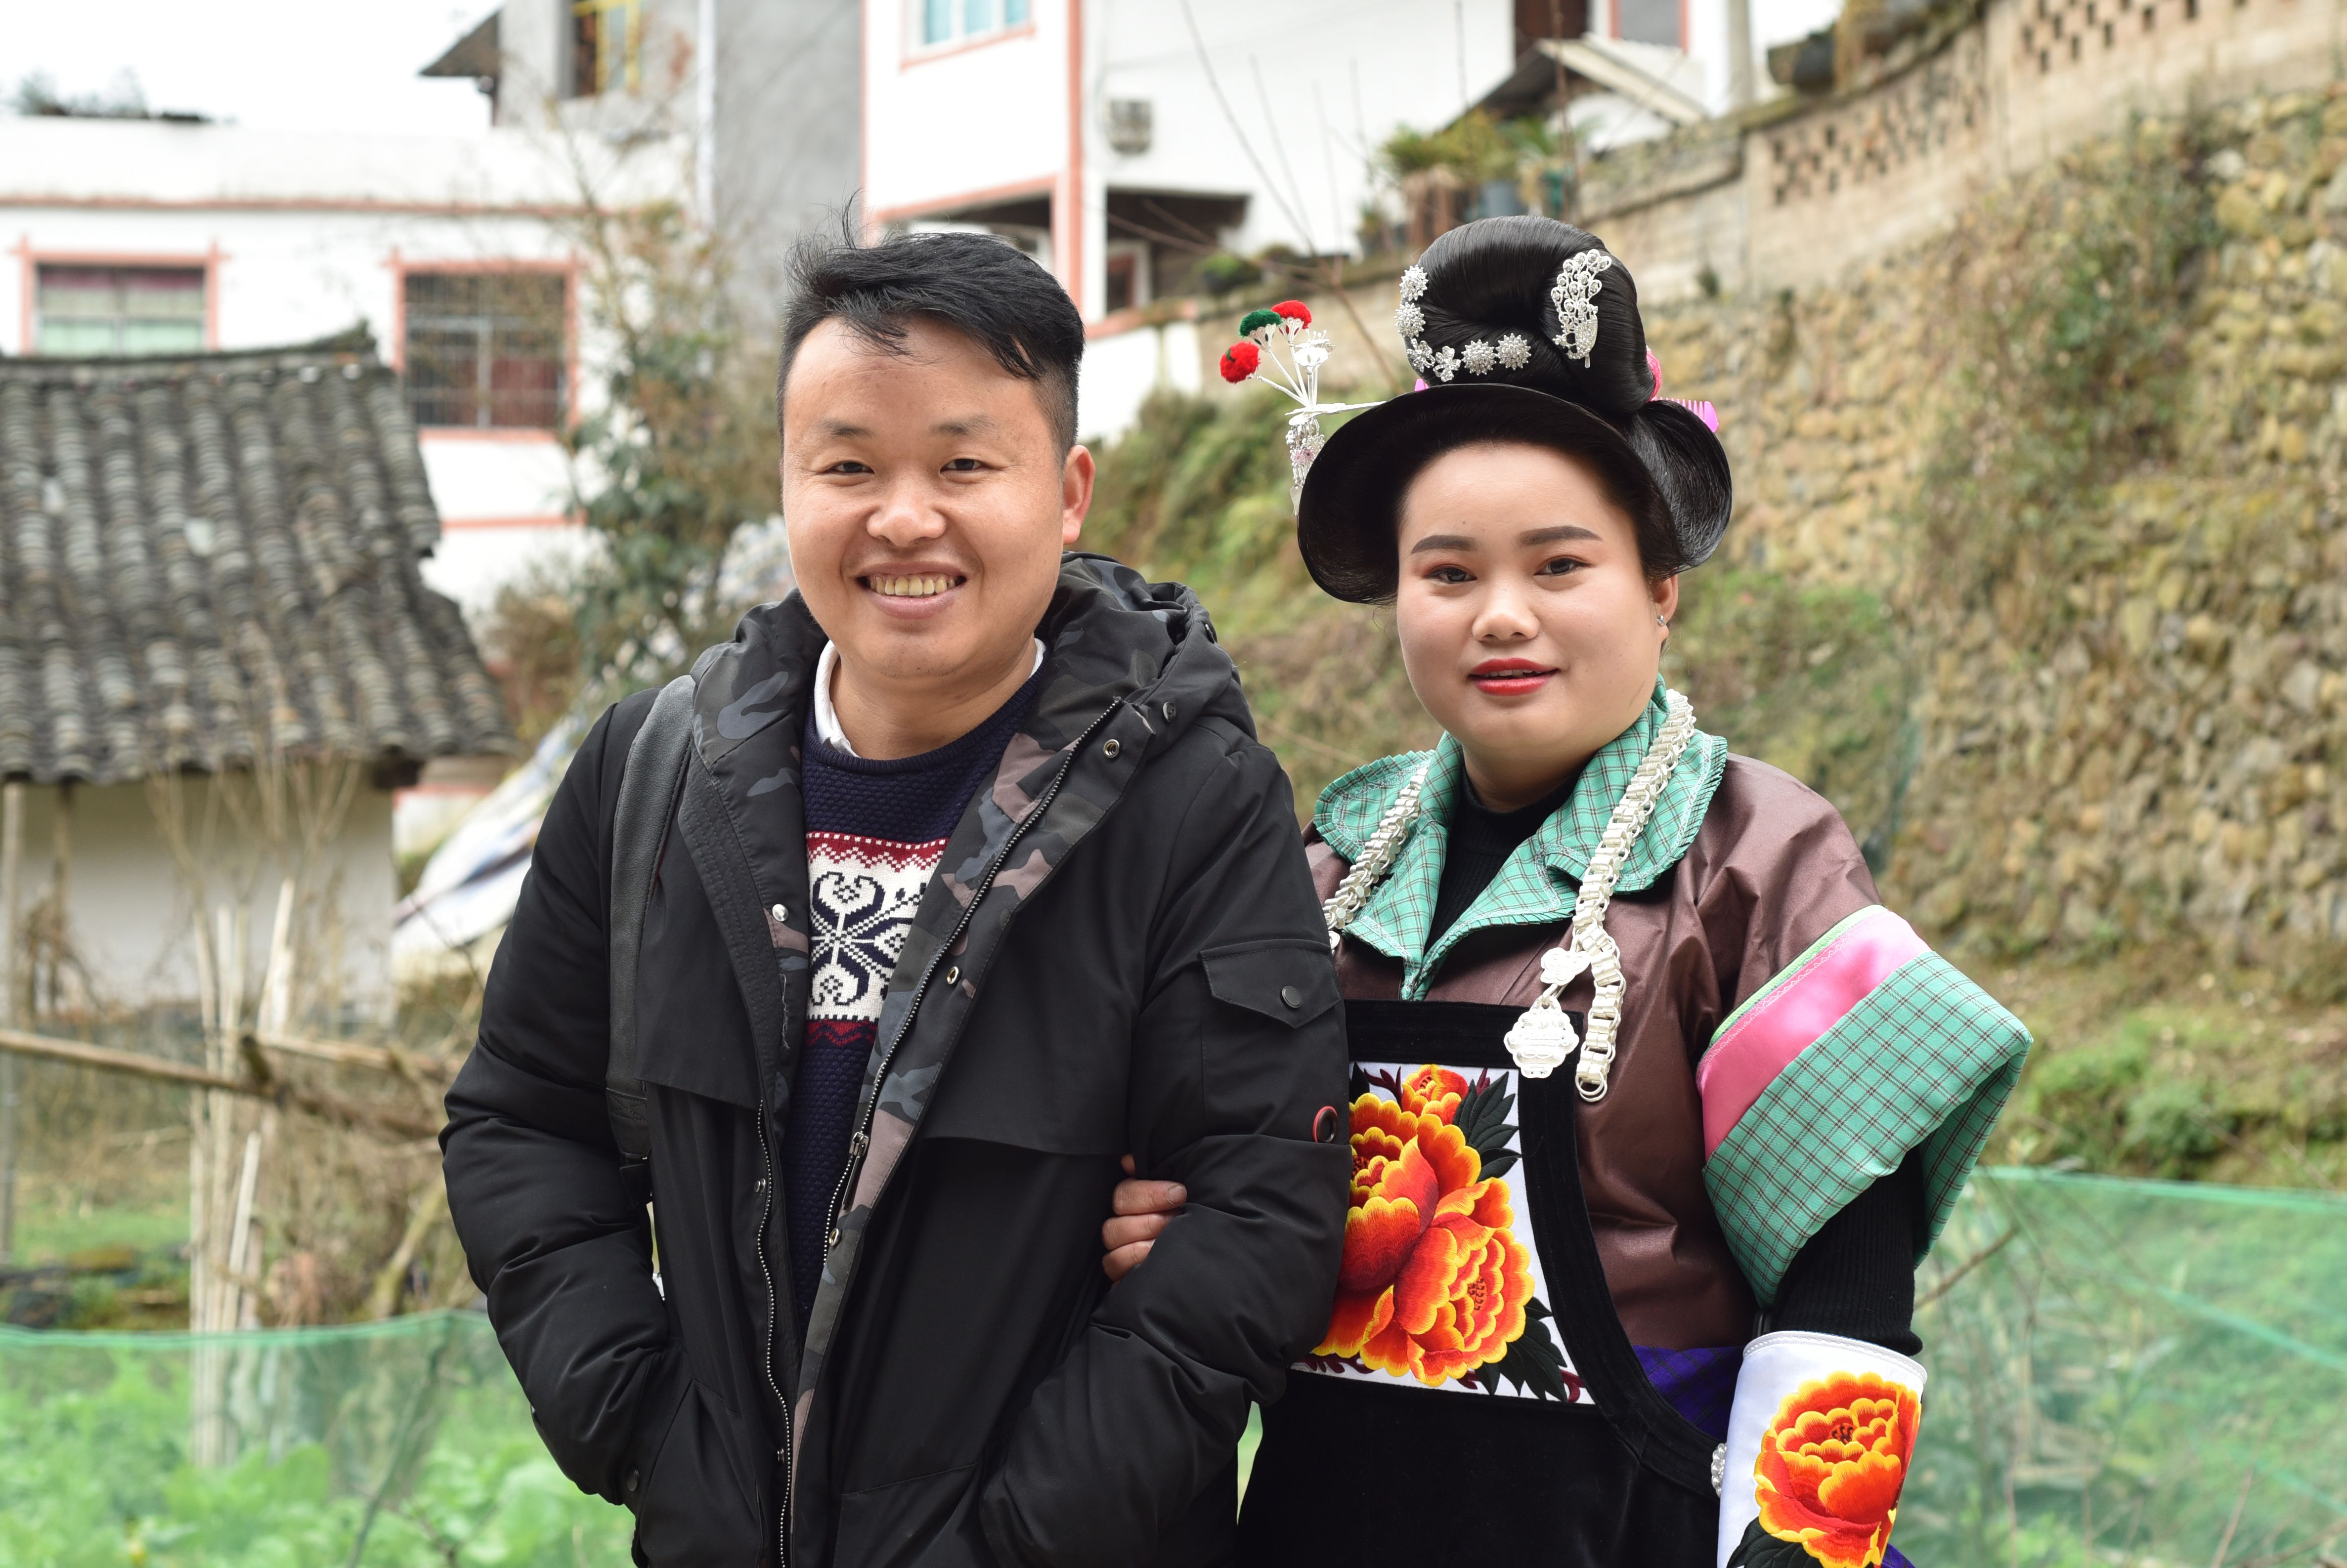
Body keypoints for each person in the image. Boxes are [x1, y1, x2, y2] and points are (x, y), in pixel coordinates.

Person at [1101, 217, 2031, 1568]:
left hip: (1634, 1524)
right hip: (1329, 1516)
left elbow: (1844, 1279)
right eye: (1448, 573)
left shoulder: (1756, 862)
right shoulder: (1315, 876)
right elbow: (1233, 1195)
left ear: (1659, 588)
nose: (1500, 615)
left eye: (1558, 565)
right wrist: (1178, 1231)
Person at [441, 227, 1352, 1568]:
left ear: (1068, 492)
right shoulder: (655, 775)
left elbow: (1254, 1209)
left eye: (965, 464)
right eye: (850, 465)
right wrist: (643, 1429)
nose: (905, 518)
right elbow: (522, 1120)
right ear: (789, 486)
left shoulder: (1187, 802)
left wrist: (1016, 1540)